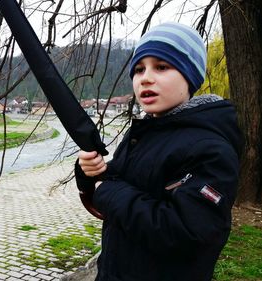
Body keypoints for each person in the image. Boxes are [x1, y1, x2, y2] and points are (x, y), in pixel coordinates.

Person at [75, 22, 242, 281]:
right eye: (139, 69)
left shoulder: (211, 150)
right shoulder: (143, 132)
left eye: (162, 67)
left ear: (190, 76)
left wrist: (109, 192)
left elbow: (188, 234)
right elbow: (116, 182)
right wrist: (90, 172)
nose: (146, 78)